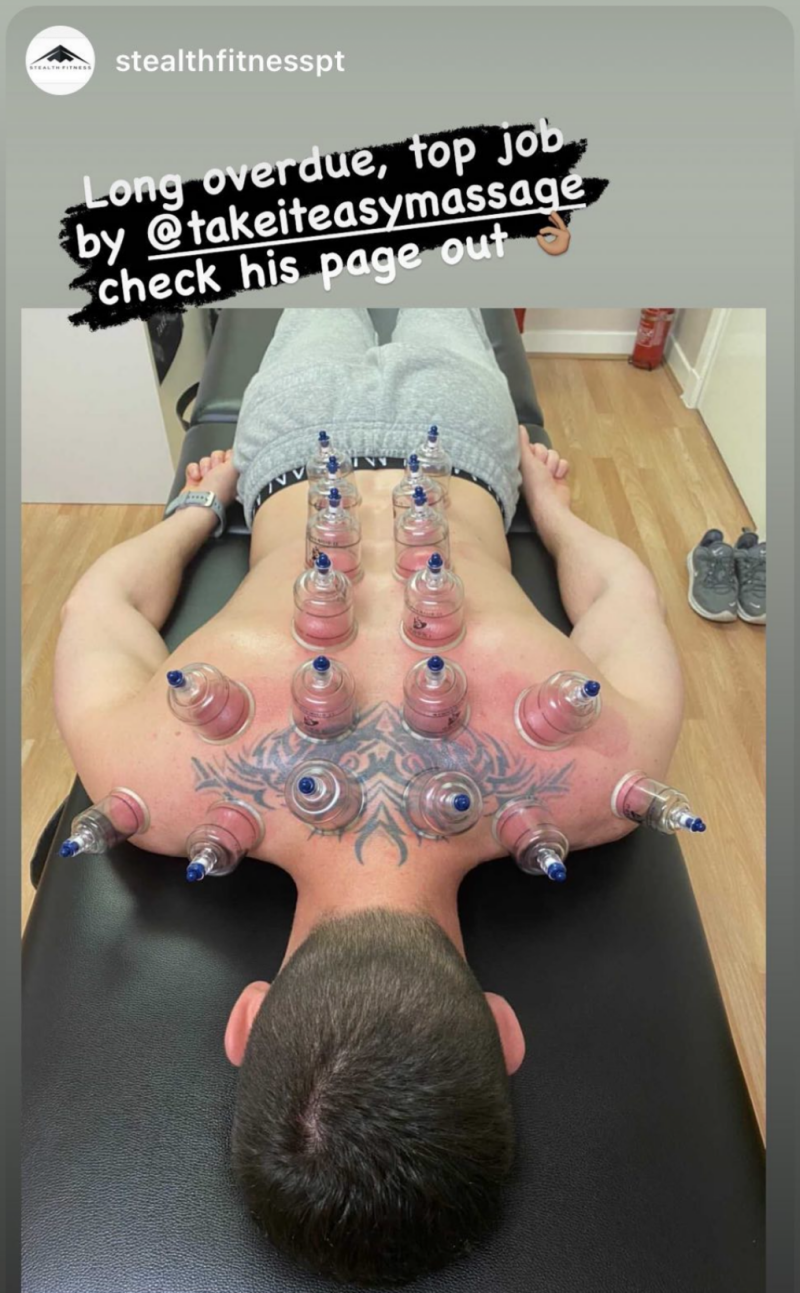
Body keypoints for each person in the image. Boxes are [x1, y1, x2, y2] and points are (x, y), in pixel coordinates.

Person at [53, 308, 683, 1286]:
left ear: (503, 1032)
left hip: (464, 442)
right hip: (289, 447)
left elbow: (620, 599)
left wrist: (550, 511)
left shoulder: (604, 778)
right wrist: (198, 509)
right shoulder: (153, 781)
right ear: (249, 1021)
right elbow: (100, 606)